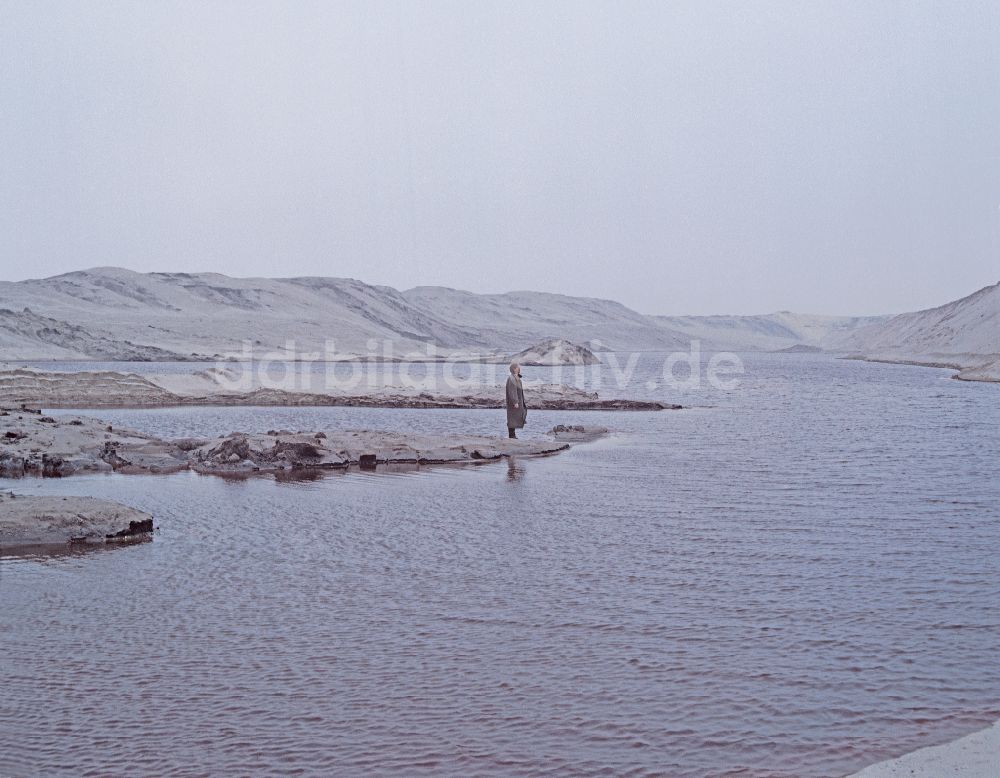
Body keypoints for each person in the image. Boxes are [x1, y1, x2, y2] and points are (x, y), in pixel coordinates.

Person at [506, 362, 527, 438]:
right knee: (512, 418)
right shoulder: (512, 378)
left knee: (514, 417)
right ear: (514, 369)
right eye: (518, 367)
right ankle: (511, 435)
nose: (519, 368)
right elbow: (512, 391)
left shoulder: (516, 377)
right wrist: (515, 401)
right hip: (513, 403)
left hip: (517, 401)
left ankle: (513, 435)